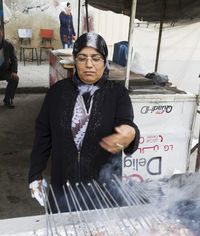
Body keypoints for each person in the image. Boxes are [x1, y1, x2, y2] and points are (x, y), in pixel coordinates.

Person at [28, 32, 140, 212]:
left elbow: (127, 123)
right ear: (75, 60)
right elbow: (43, 134)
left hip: (104, 190)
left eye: (96, 58)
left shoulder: (117, 94)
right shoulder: (57, 93)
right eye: (82, 58)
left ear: (105, 62)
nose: (89, 64)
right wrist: (35, 174)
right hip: (63, 187)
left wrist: (130, 133)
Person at [0, 27, 19, 108]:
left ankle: (8, 99)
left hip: (5, 70)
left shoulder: (8, 45)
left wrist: (14, 71)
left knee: (14, 78)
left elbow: (14, 60)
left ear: (2, 33)